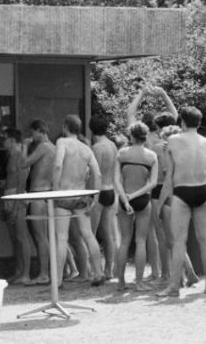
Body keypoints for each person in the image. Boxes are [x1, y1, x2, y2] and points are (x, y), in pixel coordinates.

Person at [157, 106, 206, 297]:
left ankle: (174, 286)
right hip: (203, 190)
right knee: (205, 239)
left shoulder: (172, 140)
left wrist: (160, 204)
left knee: (179, 240)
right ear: (199, 122)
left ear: (181, 122)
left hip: (182, 190)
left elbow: (169, 176)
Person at [128, 86, 178, 282]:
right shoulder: (173, 138)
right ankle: (162, 272)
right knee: (168, 233)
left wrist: (141, 93)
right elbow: (174, 115)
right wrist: (164, 95)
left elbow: (130, 113)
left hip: (156, 188)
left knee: (157, 234)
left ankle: (163, 272)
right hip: (172, 187)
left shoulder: (146, 140)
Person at [52, 115, 106, 286]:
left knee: (61, 237)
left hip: (63, 195)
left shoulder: (62, 142)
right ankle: (98, 272)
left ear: (65, 127)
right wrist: (95, 197)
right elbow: (97, 173)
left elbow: (58, 164)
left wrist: (55, 189)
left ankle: (58, 279)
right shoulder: (86, 149)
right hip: (81, 196)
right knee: (88, 234)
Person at [115, 122, 158, 291]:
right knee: (141, 241)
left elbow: (116, 180)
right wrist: (135, 196)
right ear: (145, 136)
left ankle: (120, 282)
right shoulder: (151, 156)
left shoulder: (122, 153)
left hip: (124, 197)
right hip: (142, 199)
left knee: (124, 241)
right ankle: (139, 282)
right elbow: (153, 183)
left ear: (131, 136)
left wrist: (126, 199)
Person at [19, 119, 56, 285]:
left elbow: (23, 163)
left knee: (41, 236)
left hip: (38, 193)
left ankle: (44, 273)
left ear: (40, 131)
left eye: (32, 133)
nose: (31, 136)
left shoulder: (44, 147)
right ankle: (47, 271)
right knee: (44, 236)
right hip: (46, 193)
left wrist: (25, 146)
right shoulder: (54, 147)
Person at [88, 115, 118, 280]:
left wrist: (92, 195)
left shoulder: (97, 147)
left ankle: (95, 270)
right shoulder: (112, 145)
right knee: (108, 234)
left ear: (91, 129)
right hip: (110, 190)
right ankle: (109, 269)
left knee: (90, 233)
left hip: (98, 192)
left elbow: (95, 174)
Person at [2, 128, 32, 284]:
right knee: (14, 238)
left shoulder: (20, 155)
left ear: (12, 140)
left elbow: (21, 182)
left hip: (17, 196)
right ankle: (19, 270)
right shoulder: (11, 155)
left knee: (21, 236)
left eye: (5, 139)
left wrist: (15, 206)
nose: (3, 142)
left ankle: (26, 273)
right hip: (9, 195)